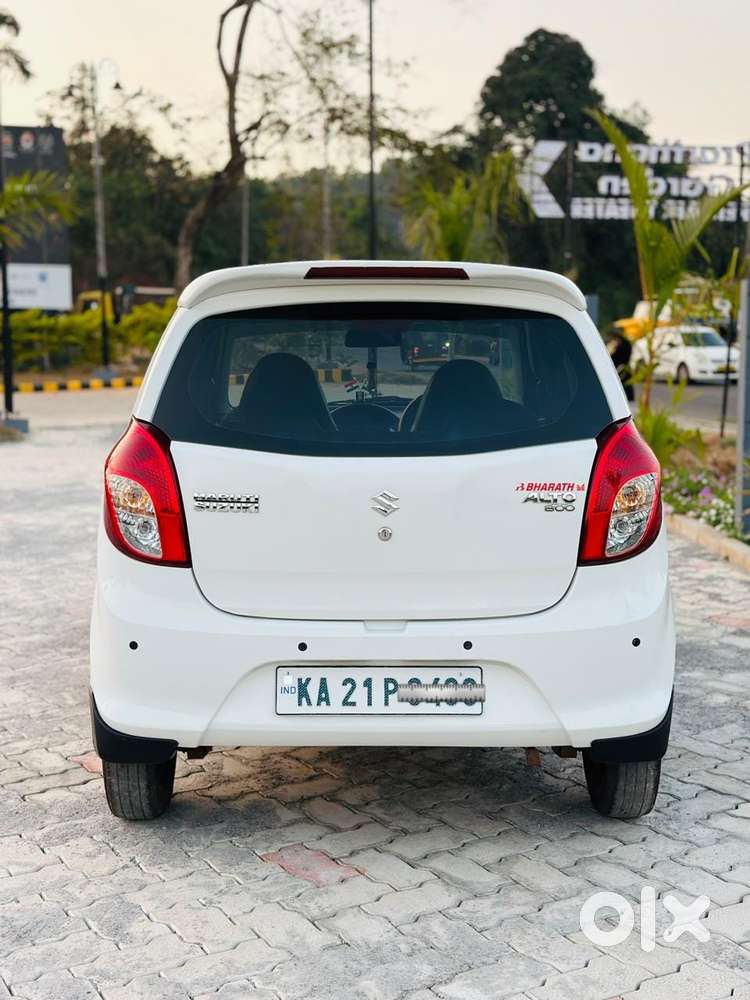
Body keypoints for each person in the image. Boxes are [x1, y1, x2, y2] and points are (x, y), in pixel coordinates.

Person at [607, 330, 634, 401]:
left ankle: (627, 397)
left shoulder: (622, 344)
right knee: (626, 383)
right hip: (624, 365)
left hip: (621, 366)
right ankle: (628, 397)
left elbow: (614, 355)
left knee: (623, 382)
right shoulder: (625, 343)